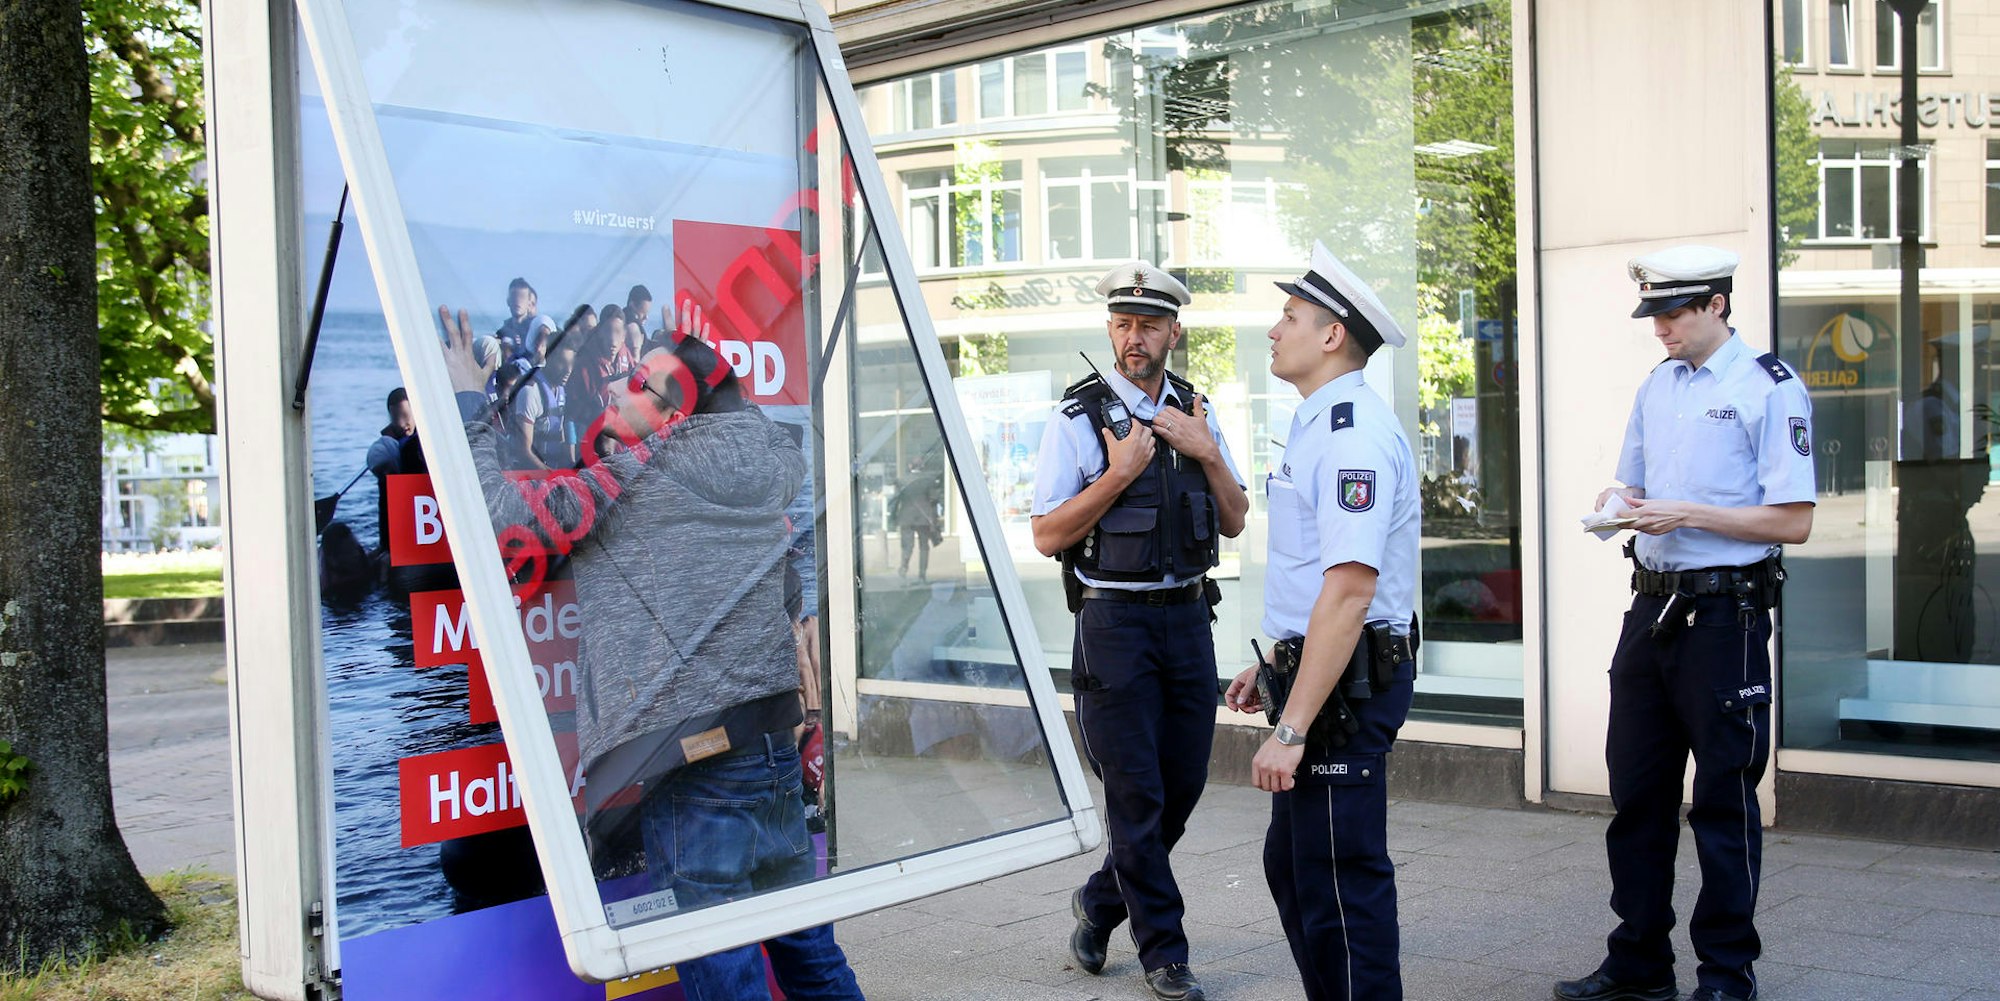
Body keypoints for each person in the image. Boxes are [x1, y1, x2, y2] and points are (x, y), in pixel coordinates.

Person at [436, 306, 866, 1001]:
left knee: (725, 980)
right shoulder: (755, 458)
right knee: (811, 957)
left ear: (674, 416)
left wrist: (465, 396)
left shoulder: (639, 477)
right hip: (771, 751)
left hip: (695, 764)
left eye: (636, 384)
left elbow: (497, 516)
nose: (611, 389)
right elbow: (787, 562)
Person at [1554, 246, 1815, 1001]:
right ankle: (1638, 963)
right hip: (1652, 606)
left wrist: (1689, 512)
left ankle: (1728, 974)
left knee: (1724, 800)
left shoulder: (1771, 388)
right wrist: (1618, 502)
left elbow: (1793, 520)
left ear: (1717, 305)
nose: (1660, 327)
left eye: (1673, 313)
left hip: (1725, 614)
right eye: (1654, 315)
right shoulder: (1659, 384)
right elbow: (1632, 480)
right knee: (1636, 791)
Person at [1033, 261, 1248, 1001]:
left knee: (1181, 787)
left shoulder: (1198, 409)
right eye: (1123, 323)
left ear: (1173, 332)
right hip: (1113, 623)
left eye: (1149, 324)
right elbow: (1045, 533)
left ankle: (1099, 903)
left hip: (1188, 618)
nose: (1134, 337)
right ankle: (1166, 951)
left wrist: (1207, 449)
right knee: (1135, 796)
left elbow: (1235, 517)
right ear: (1110, 330)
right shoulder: (1076, 418)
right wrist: (1119, 472)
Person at [1223, 240, 1419, 1001]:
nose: (1275, 330)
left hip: (1347, 693)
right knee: (1296, 869)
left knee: (1340, 880)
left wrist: (1292, 726)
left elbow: (1349, 590)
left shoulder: (1348, 435)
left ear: (1332, 334)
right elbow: (1316, 580)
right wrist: (1274, 664)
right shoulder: (1317, 422)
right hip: (1324, 671)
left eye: (1290, 316)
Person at [363, 387, 416, 549]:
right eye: (396, 418)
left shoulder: (419, 444)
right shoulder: (390, 447)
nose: (402, 424)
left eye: (406, 416)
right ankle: (387, 546)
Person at [496, 277, 557, 360]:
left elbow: (545, 323)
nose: (518, 301)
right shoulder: (503, 331)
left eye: (522, 297)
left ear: (529, 303)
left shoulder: (536, 327)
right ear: (508, 301)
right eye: (514, 297)